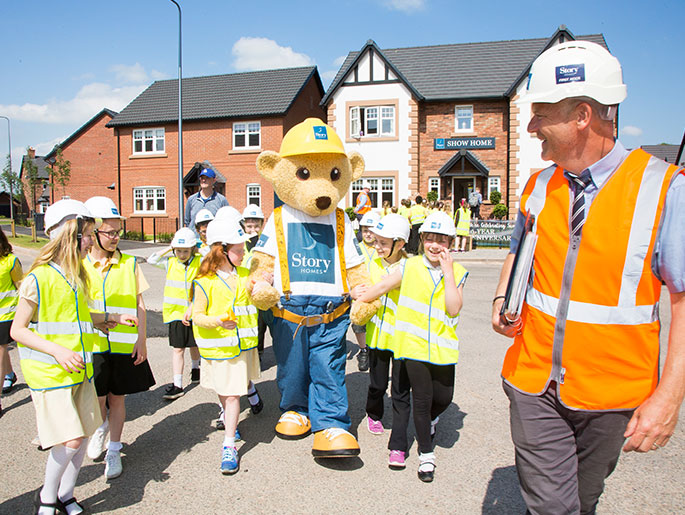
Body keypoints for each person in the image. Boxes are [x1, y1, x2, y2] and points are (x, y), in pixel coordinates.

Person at [491, 41, 685, 514]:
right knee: (553, 506)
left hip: (612, 393)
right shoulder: (539, 185)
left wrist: (669, 397)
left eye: (541, 113)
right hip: (533, 382)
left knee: (583, 498)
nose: (532, 125)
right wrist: (501, 298)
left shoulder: (664, 188)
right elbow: (519, 251)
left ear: (582, 115)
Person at [11, 199, 136, 514]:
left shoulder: (76, 276)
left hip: (80, 370)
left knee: (81, 436)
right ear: (66, 234)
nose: (91, 241)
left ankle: (66, 495)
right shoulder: (38, 278)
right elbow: (18, 330)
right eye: (86, 235)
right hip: (51, 375)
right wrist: (57, 351)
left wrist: (109, 317)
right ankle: (47, 499)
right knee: (69, 442)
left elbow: (78, 318)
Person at [358, 211, 467, 482]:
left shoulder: (459, 272)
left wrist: (449, 274)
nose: (434, 244)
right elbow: (382, 287)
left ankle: (430, 421)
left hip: (442, 350)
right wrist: (358, 300)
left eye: (441, 239)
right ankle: (420, 455)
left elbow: (453, 309)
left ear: (451, 243)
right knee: (417, 399)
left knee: (443, 399)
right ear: (421, 240)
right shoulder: (410, 266)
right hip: (411, 347)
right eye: (429, 238)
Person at [83, 197, 155, 480]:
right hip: (94, 344)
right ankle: (100, 429)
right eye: (109, 232)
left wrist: (142, 340)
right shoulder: (81, 265)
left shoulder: (128, 264)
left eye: (117, 232)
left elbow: (140, 305)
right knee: (98, 399)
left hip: (124, 344)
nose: (115, 238)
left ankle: (114, 450)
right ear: (93, 232)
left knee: (118, 397)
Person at [191, 218, 261, 475]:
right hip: (217, 349)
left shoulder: (245, 275)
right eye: (239, 250)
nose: (244, 254)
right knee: (225, 394)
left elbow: (261, 290)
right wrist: (218, 321)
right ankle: (230, 421)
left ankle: (228, 444)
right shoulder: (203, 282)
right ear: (222, 251)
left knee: (232, 396)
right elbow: (197, 316)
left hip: (240, 347)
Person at [355, 214, 411, 470]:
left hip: (402, 339)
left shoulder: (412, 268)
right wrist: (355, 291)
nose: (376, 247)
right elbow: (359, 286)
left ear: (400, 243)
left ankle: (398, 446)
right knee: (377, 384)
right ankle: (374, 412)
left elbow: (376, 291)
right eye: (375, 242)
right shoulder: (371, 263)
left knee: (400, 392)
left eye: (383, 243)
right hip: (377, 336)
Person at [147, 228, 202, 400]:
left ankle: (196, 370)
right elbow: (151, 259)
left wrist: (199, 247)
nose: (182, 254)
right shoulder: (170, 262)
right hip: (175, 314)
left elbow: (212, 257)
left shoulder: (200, 262)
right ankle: (177, 384)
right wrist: (169, 248)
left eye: (185, 250)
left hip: (194, 311)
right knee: (178, 349)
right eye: (178, 250)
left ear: (193, 249)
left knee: (194, 345)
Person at [353, 211, 381, 372]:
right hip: (361, 293)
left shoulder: (382, 248)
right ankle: (363, 350)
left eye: (371, 230)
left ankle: (375, 348)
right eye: (365, 230)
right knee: (359, 324)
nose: (368, 234)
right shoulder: (356, 248)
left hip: (378, 293)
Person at [0, 227, 22, 405]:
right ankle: (9, 374)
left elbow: (21, 286)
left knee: (0, 350)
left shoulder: (10, 261)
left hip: (6, 315)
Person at [183, 168, 229, 233]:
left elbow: (226, 220)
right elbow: (187, 221)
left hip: (213, 240)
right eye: (202, 178)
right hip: (195, 240)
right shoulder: (191, 199)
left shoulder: (221, 200)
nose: (204, 180)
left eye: (207, 178)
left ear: (214, 180)